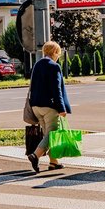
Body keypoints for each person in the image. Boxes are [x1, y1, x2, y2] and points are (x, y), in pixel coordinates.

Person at [26, 41, 72, 172]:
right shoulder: (54, 66)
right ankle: (35, 155)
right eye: (58, 53)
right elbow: (56, 90)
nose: (59, 55)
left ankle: (54, 162)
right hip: (49, 107)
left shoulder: (37, 65)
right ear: (55, 52)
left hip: (36, 106)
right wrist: (62, 108)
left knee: (47, 133)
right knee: (52, 134)